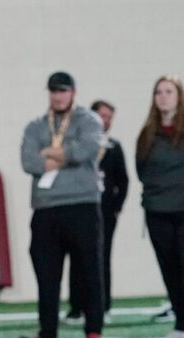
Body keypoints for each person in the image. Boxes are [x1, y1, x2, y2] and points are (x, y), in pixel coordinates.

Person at [21, 71, 105, 338]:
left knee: (89, 271)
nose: (58, 96)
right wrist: (64, 155)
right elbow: (28, 161)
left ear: (73, 92)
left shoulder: (89, 120)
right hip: (46, 209)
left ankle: (93, 331)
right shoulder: (35, 125)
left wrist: (52, 152)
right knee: (47, 274)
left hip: (82, 204)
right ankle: (48, 334)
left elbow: (87, 150)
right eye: (54, 91)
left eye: (63, 91)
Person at [65, 100, 128, 325]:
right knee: (77, 258)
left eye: (109, 116)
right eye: (101, 115)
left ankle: (103, 306)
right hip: (81, 209)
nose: (105, 120)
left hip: (105, 213)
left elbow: (123, 180)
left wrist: (117, 206)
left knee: (102, 259)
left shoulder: (113, 147)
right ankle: (76, 308)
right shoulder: (77, 145)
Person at [136, 75, 184, 338]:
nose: (163, 97)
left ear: (179, 96)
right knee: (170, 269)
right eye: (158, 92)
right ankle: (180, 324)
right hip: (158, 211)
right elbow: (141, 170)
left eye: (168, 91)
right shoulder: (147, 135)